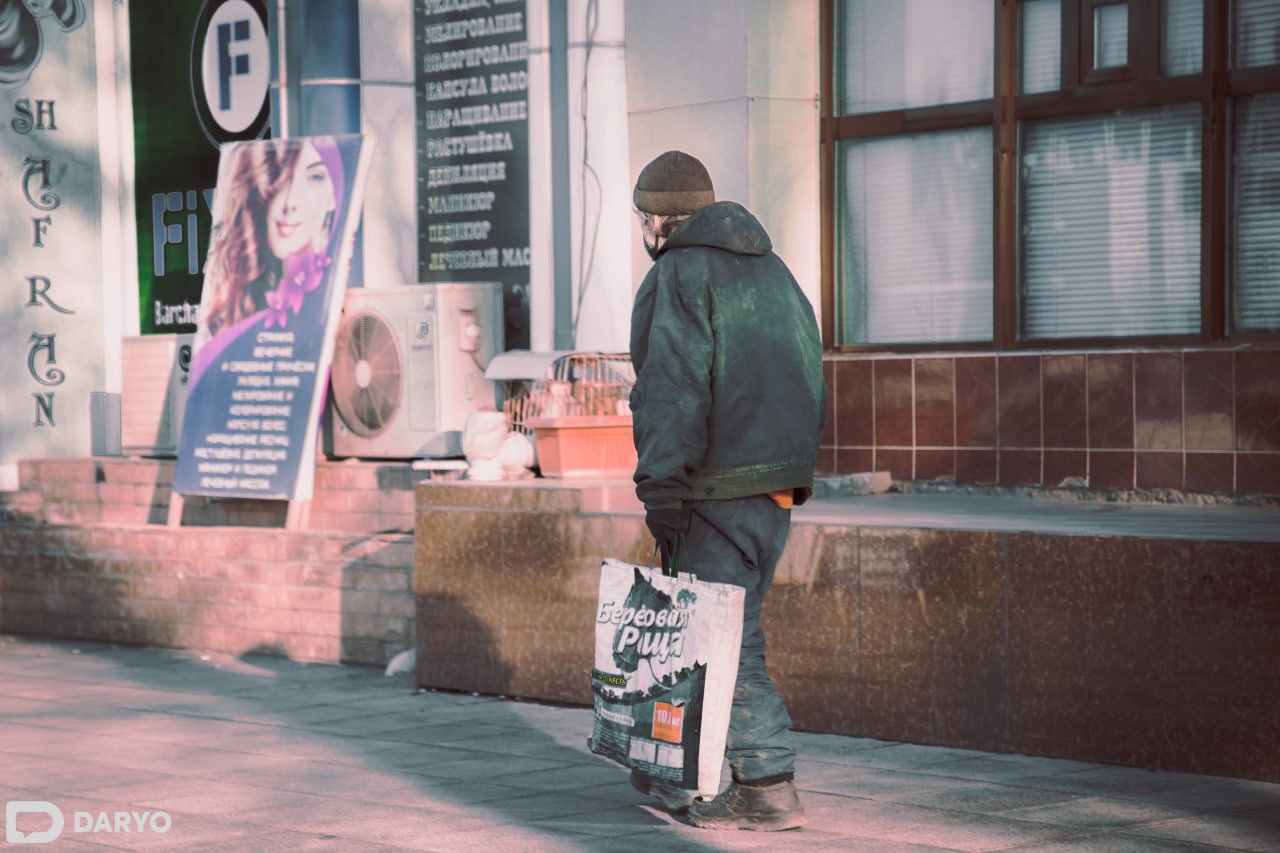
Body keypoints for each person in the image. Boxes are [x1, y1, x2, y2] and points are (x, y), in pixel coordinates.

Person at [626, 150, 827, 831]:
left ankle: (767, 782)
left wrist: (662, 489)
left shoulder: (677, 274)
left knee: (719, 639)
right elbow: (806, 372)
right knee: (722, 632)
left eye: (644, 219)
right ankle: (672, 768)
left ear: (659, 219)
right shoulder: (775, 272)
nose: (646, 233)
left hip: (715, 489)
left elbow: (671, 393)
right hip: (775, 492)